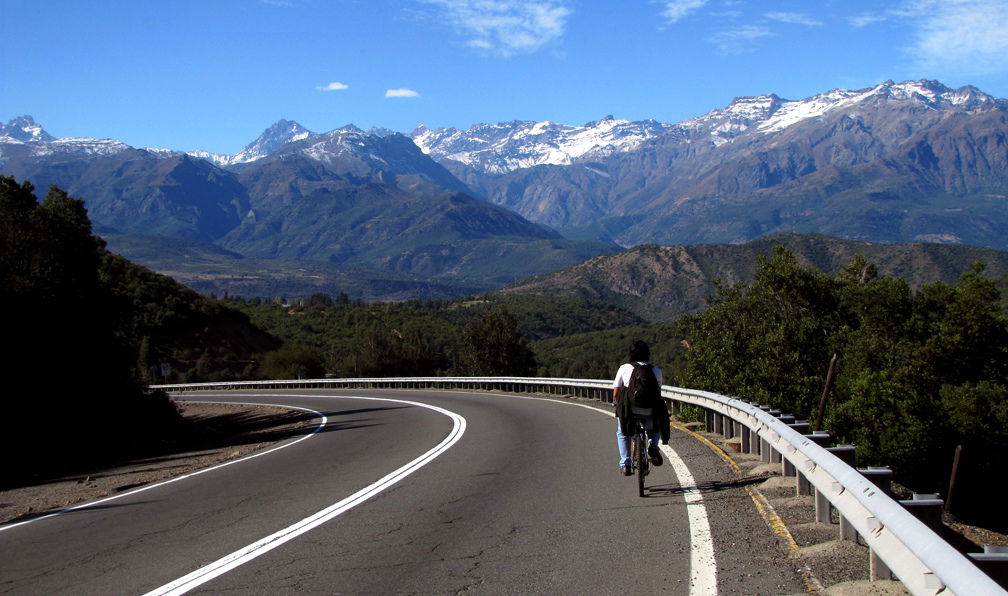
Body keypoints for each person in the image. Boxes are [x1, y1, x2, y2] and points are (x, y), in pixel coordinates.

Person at [613, 340, 671, 476]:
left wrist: (616, 404)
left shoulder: (624, 368)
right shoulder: (656, 370)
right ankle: (653, 446)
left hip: (630, 411)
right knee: (655, 427)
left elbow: (616, 392)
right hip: (650, 410)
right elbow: (658, 392)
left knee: (622, 432)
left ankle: (626, 463)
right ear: (647, 353)